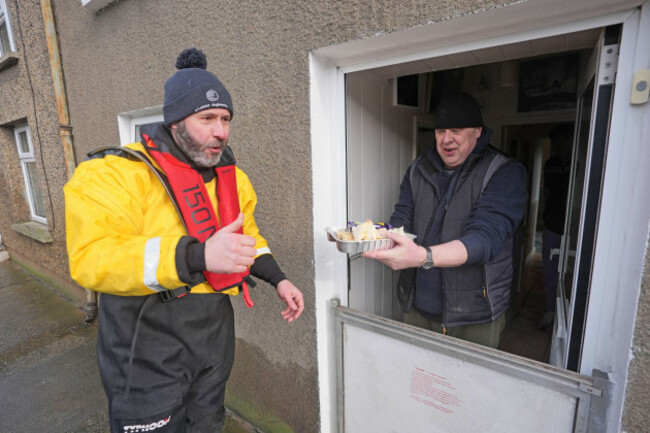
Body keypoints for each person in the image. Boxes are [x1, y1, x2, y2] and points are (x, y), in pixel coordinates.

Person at [64, 48, 304, 432]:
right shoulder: (111, 174)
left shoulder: (234, 178)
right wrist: (198, 255)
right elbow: (92, 258)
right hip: (144, 340)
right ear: (175, 121)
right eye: (207, 118)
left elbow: (248, 237)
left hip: (212, 336)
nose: (221, 130)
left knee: (208, 422)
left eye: (225, 119)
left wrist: (280, 279)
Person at [364, 92, 527, 349]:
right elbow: (403, 215)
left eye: (456, 129)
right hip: (416, 306)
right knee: (415, 381)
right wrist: (384, 236)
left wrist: (422, 256)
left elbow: (485, 240)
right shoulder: (419, 169)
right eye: (440, 131)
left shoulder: (503, 172)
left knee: (467, 386)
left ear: (477, 131)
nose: (446, 139)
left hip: (473, 316)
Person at [538, 123, 573, 331]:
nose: (558, 145)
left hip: (574, 227)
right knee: (550, 271)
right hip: (553, 226)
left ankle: (567, 314)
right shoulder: (550, 163)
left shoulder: (580, 163)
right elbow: (548, 192)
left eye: (561, 140)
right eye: (555, 142)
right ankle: (550, 310)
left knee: (571, 272)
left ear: (570, 140)